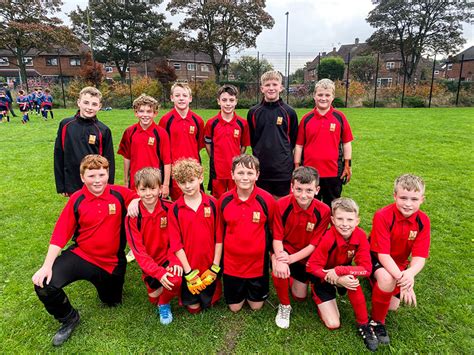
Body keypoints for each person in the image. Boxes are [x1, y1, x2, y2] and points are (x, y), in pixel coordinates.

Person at [32, 155, 137, 346]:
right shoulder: (76, 199)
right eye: (91, 176)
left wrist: (136, 201)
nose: (97, 180)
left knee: (112, 302)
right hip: (82, 256)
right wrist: (46, 266)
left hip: (111, 263)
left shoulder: (120, 194)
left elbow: (143, 197)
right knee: (44, 285)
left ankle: (108, 290)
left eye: (101, 175)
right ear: (82, 177)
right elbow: (60, 234)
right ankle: (69, 318)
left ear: (108, 174)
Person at [307, 197, 378, 352]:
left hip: (341, 273)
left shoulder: (360, 236)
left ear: (357, 220)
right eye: (339, 219)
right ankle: (318, 296)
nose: (345, 224)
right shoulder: (327, 238)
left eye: (350, 219)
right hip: (323, 278)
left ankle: (364, 325)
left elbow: (367, 269)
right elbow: (311, 267)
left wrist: (340, 272)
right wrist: (335, 278)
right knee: (333, 324)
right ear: (332, 219)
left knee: (352, 280)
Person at [369, 174, 430, 345]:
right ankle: (377, 322)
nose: (408, 204)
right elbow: (383, 255)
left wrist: (409, 274)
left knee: (393, 306)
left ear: (422, 199)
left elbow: (419, 256)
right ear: (395, 196)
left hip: (398, 264)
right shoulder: (383, 215)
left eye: (414, 199)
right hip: (376, 257)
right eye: (403, 197)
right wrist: (403, 281)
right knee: (387, 279)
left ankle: (376, 283)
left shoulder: (423, 221)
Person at [218, 154, 283, 312]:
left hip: (257, 264)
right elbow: (219, 232)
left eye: (250, 173)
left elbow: (275, 232)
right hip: (232, 265)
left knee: (256, 306)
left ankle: (254, 292)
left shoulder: (267, 200)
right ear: (232, 174)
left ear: (257, 175)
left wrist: (275, 256)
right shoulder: (224, 200)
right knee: (234, 308)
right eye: (240, 173)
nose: (245, 177)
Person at [272, 166, 331, 329]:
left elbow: (314, 245)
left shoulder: (324, 211)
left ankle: (295, 278)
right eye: (298, 189)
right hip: (287, 249)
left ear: (317, 190)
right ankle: (284, 306)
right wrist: (283, 258)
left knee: (300, 296)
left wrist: (291, 259)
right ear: (292, 187)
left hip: (307, 254)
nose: (303, 195)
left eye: (309, 190)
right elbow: (277, 239)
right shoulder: (281, 205)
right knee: (278, 264)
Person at [125, 167, 182, 325]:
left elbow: (177, 239)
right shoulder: (132, 217)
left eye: (152, 188)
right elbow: (139, 252)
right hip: (150, 264)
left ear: (160, 188)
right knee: (153, 298)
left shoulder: (170, 208)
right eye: (143, 189)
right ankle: (160, 293)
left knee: (175, 281)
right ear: (137, 190)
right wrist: (158, 273)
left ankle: (164, 304)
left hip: (169, 258)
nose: (148, 193)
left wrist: (175, 262)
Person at [167, 158, 222, 314]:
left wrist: (215, 267)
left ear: (201, 178)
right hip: (190, 266)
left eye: (191, 180)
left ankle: (213, 290)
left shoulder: (212, 203)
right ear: (177, 183)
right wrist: (188, 272)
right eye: (183, 182)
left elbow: (219, 238)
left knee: (211, 303)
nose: (188, 186)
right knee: (194, 309)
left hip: (210, 266)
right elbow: (176, 243)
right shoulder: (175, 209)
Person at [294, 78, 353, 207]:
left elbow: (347, 143)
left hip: (333, 172)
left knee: (332, 206)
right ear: (314, 96)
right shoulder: (306, 119)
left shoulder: (340, 117)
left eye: (327, 95)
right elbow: (299, 145)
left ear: (333, 97)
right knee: (309, 206)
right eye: (320, 95)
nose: (323, 98)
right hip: (310, 173)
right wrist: (297, 166)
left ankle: (332, 228)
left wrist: (347, 165)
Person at [54, 86, 115, 196]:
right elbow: (59, 155)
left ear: (100, 106)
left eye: (94, 104)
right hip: (72, 182)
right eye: (86, 103)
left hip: (95, 183)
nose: (89, 107)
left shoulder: (103, 130)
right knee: (76, 210)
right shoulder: (65, 125)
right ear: (79, 102)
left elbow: (109, 161)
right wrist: (61, 185)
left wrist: (108, 186)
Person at [247, 70, 298, 199]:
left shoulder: (289, 112)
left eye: (275, 85)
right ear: (262, 88)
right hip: (261, 170)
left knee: (282, 208)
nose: (271, 88)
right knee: (262, 207)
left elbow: (293, 140)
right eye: (267, 85)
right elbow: (253, 140)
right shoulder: (253, 112)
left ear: (281, 87)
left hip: (283, 170)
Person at [118, 94, 171, 197]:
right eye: (141, 111)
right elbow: (126, 158)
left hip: (155, 182)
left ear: (155, 114)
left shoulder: (161, 133)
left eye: (149, 111)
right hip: (135, 183)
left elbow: (167, 161)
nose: (145, 115)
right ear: (136, 113)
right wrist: (126, 182)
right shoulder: (129, 132)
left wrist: (165, 185)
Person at [159, 83, 204, 200]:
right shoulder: (165, 121)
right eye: (177, 95)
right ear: (171, 98)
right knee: (177, 203)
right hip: (174, 171)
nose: (181, 98)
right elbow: (163, 149)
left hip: (193, 169)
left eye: (184, 95)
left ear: (190, 98)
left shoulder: (198, 121)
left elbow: (198, 145)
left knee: (195, 201)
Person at [204, 84, 250, 198]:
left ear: (236, 102)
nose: (228, 103)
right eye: (224, 100)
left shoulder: (242, 123)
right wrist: (215, 158)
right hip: (218, 171)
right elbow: (207, 144)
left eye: (231, 100)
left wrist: (237, 160)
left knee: (236, 198)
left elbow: (244, 145)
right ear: (218, 101)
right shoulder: (211, 123)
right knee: (218, 200)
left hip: (235, 170)